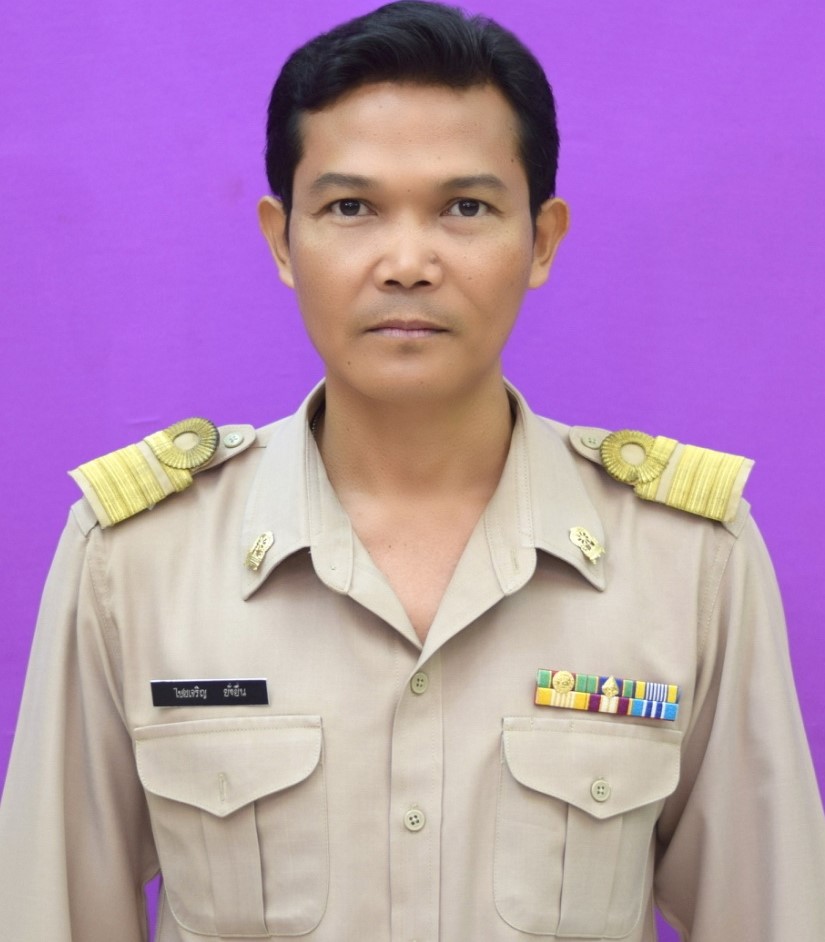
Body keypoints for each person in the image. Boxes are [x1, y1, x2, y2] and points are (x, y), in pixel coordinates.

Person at [1, 1, 823, 939]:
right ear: (281, 239)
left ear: (541, 240)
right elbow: (51, 914)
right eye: (350, 208)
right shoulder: (136, 559)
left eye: (463, 208)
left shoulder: (686, 560)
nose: (406, 263)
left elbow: (772, 915)